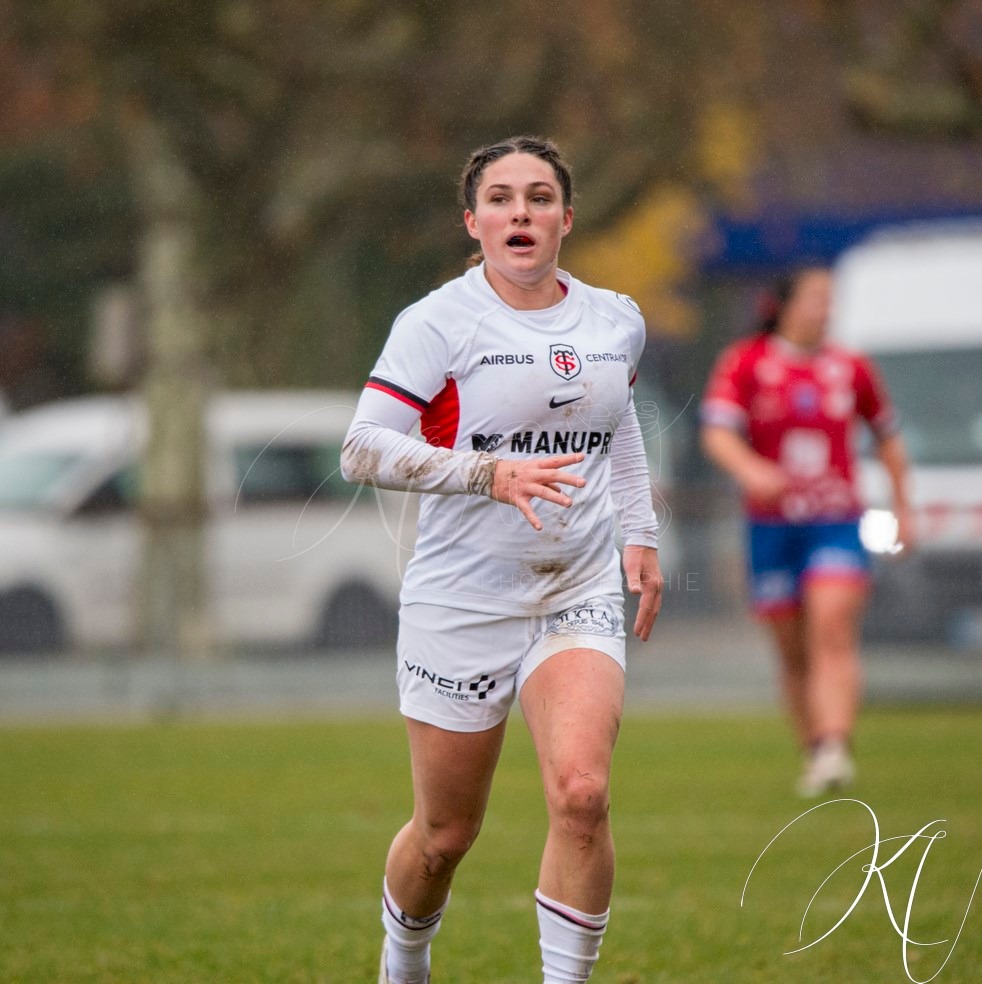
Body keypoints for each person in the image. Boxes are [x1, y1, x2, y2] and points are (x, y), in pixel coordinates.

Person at [340, 135, 663, 984]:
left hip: (575, 587)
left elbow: (618, 425)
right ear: (473, 222)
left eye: (539, 197)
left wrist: (640, 532)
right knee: (445, 836)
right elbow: (361, 448)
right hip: (461, 601)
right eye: (501, 198)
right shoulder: (436, 323)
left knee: (583, 795)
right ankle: (404, 960)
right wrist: (488, 474)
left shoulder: (616, 320)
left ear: (566, 218)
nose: (521, 212)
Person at [699, 267, 912, 797]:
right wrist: (751, 470)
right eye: (816, 297)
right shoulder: (747, 362)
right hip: (771, 527)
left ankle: (836, 743)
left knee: (831, 626)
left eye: (830, 299)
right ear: (786, 305)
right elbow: (717, 433)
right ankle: (817, 751)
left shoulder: (851, 368)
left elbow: (888, 438)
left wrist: (904, 508)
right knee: (792, 649)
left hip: (835, 522)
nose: (826, 309)